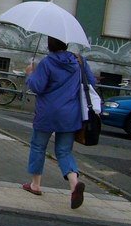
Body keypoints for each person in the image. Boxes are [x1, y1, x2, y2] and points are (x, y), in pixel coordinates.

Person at [22, 36, 96, 210]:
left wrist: (30, 74)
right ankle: (74, 184)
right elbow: (91, 83)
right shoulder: (79, 61)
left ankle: (35, 185)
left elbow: (37, 87)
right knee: (64, 151)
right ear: (66, 43)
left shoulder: (47, 63)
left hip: (47, 113)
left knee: (38, 146)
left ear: (49, 45)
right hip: (70, 114)